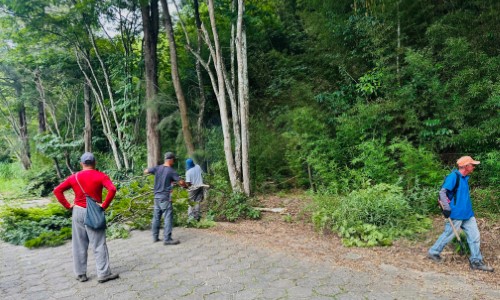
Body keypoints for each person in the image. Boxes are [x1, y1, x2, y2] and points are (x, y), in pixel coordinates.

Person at [53, 152, 120, 283]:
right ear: (94, 163)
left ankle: (80, 274)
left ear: (81, 164)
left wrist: (68, 206)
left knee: (79, 244)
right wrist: (104, 205)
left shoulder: (74, 177)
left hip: (77, 211)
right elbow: (112, 189)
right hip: (94, 212)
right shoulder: (101, 176)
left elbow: (57, 190)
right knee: (99, 243)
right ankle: (103, 274)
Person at [427, 156, 494, 272]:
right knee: (449, 234)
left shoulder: (465, 178)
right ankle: (434, 252)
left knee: (475, 236)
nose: (473, 167)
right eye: (472, 165)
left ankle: (476, 261)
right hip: (456, 213)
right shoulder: (454, 177)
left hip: (468, 214)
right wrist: (446, 209)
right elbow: (442, 192)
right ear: (466, 166)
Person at [144, 152, 186, 245]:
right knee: (168, 217)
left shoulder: (157, 168)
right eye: (173, 160)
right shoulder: (171, 171)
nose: (174, 162)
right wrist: (185, 185)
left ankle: (155, 237)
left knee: (156, 218)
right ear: (170, 160)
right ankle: (167, 239)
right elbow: (181, 182)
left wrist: (157, 175)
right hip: (165, 198)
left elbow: (146, 171)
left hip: (156, 197)